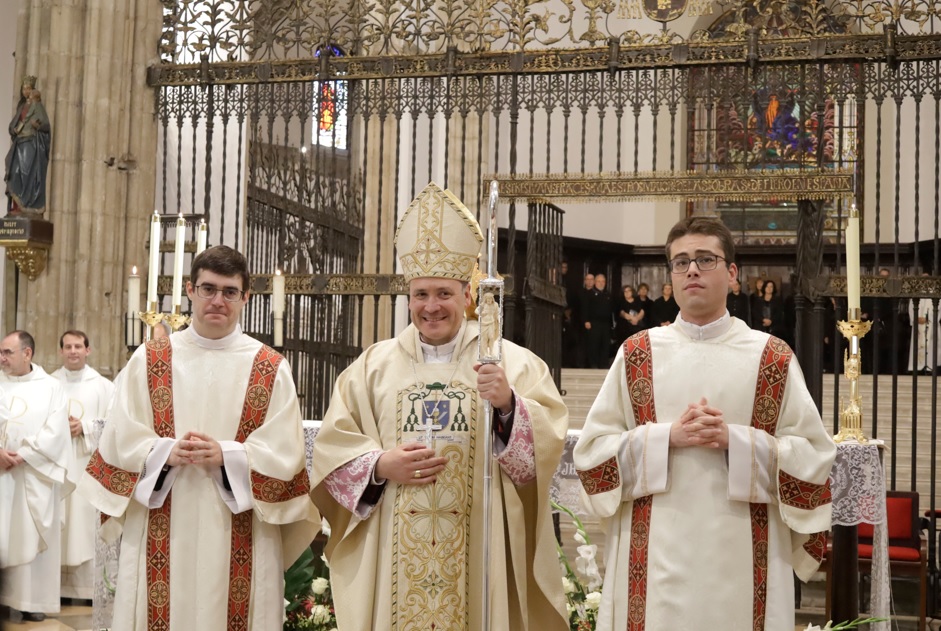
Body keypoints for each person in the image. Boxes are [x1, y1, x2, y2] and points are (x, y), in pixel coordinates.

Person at [310, 182, 568, 631]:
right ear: (409, 298)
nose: (431, 307)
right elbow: (331, 453)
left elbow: (542, 457)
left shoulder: (511, 362)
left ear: (467, 296)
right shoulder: (372, 367)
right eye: (421, 295)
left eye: (444, 294)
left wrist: (508, 405)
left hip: (478, 549)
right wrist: (379, 465)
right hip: (393, 548)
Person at [573, 216, 835, 631]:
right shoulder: (637, 354)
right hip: (654, 556)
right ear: (671, 276)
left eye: (705, 259)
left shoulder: (772, 357)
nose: (691, 269)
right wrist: (665, 438)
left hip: (745, 559)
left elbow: (815, 461)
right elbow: (590, 458)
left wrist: (736, 441)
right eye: (680, 262)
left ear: (732, 273)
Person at [79, 246, 318, 630]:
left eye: (229, 291)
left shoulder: (269, 368)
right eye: (208, 289)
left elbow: (285, 456)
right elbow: (119, 439)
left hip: (240, 526)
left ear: (246, 298)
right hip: (163, 514)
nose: (217, 301)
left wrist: (227, 456)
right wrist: (163, 452)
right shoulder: (150, 359)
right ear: (190, 290)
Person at [0, 331, 71, 623]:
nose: (1, 358)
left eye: (7, 352)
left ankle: (30, 600)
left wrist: (24, 455)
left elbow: (57, 430)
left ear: (27, 354)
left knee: (30, 532)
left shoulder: (52, 387)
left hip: (34, 474)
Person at [52, 330, 115, 602]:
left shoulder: (103, 386)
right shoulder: (50, 383)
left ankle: (86, 591)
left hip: (88, 468)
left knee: (84, 526)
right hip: (57, 467)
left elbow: (115, 426)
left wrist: (86, 428)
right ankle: (55, 590)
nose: (73, 351)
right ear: (61, 351)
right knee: (59, 524)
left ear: (88, 350)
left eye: (78, 346)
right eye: (68, 346)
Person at [5, 76, 51, 214]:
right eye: (24, 89)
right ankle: (18, 205)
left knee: (27, 174)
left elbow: (46, 124)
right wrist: (13, 129)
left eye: (28, 89)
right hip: (19, 143)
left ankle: (27, 204)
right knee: (15, 172)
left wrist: (37, 125)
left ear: (33, 90)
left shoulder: (36, 105)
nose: (26, 91)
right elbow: (14, 123)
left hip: (30, 144)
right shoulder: (22, 106)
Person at [584, 273, 612, 367]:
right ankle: (594, 364)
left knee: (605, 345)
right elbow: (585, 308)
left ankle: (603, 364)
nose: (601, 283)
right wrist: (586, 320)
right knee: (594, 344)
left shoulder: (608, 294)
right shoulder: (589, 294)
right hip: (594, 323)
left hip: (606, 324)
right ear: (595, 282)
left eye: (603, 281)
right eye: (599, 281)